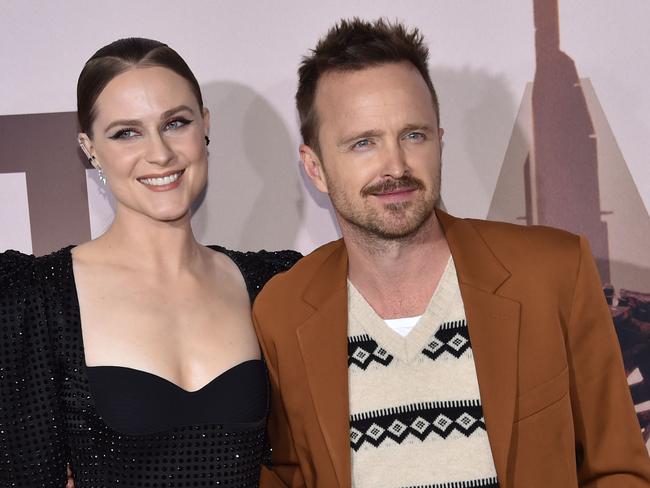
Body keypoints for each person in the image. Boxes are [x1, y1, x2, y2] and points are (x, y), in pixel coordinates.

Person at [253, 18, 650, 488]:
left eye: (413, 135)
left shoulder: (552, 274)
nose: (396, 165)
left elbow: (617, 469)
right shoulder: (282, 313)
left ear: (439, 143)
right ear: (315, 168)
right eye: (363, 143)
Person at [0, 38, 299, 487]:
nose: (160, 153)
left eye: (175, 123)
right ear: (90, 148)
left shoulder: (272, 284)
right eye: (126, 132)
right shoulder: (37, 301)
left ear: (205, 126)